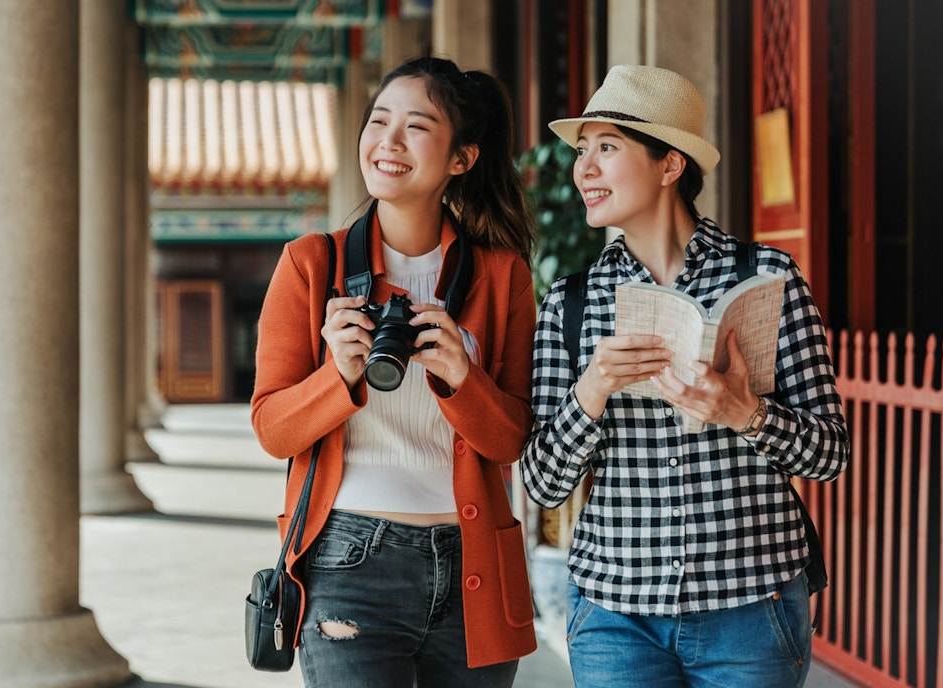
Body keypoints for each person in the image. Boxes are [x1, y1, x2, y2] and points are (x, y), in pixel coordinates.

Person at [519, 64, 850, 688]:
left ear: (670, 165)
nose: (583, 169)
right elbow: (541, 481)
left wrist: (744, 413)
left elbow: (830, 454)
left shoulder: (768, 278)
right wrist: (592, 390)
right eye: (582, 151)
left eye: (607, 148)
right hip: (616, 614)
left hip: (753, 606)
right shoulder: (570, 302)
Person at [251, 56, 539, 687]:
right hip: (349, 565)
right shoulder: (309, 265)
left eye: (416, 126)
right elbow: (274, 430)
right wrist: (339, 375)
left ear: (461, 159)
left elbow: (513, 438)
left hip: (475, 567)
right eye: (378, 120)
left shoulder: (501, 275)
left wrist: (466, 380)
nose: (388, 140)